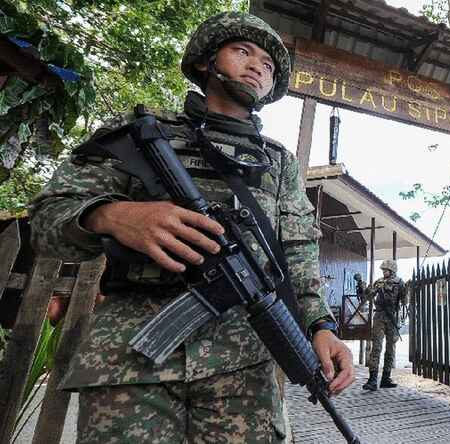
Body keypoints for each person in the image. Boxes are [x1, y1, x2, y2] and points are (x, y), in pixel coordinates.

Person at [28, 12, 354, 443]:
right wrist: (112, 216)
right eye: (243, 51)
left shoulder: (279, 163)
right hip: (131, 362)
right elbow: (46, 220)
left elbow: (298, 253)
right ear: (205, 60)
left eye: (268, 64)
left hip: (243, 368)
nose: (258, 65)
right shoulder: (141, 133)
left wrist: (321, 326)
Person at [362, 259, 407, 391]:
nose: (384, 271)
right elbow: (370, 296)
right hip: (379, 317)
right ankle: (372, 380)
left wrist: (407, 290)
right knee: (376, 347)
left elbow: (405, 301)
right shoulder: (379, 282)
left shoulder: (400, 283)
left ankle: (386, 378)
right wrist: (365, 289)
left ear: (392, 270)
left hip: (392, 316)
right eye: (383, 270)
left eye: (386, 270)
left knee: (390, 349)